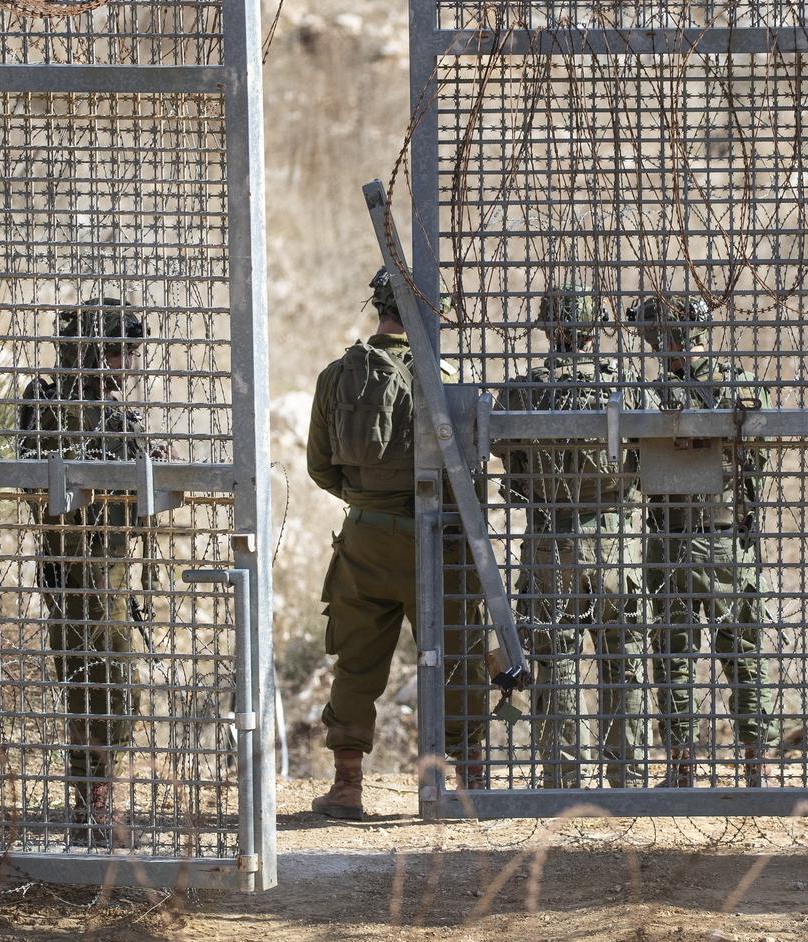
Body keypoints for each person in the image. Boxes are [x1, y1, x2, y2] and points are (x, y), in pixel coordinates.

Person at [305, 268, 489, 818]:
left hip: (365, 539)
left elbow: (320, 468)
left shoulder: (338, 375)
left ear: (376, 306)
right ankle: (466, 780)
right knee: (458, 655)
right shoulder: (447, 377)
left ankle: (346, 786)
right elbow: (471, 474)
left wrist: (369, 503)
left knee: (357, 663)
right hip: (438, 542)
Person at [493, 284, 649, 789]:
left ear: (547, 328)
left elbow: (504, 455)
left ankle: (562, 776)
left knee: (554, 654)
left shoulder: (522, 390)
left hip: (548, 540)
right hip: (616, 541)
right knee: (622, 655)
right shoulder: (628, 389)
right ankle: (627, 772)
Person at [624, 293, 773, 787]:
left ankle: (682, 766)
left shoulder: (647, 396)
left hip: (671, 541)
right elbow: (762, 456)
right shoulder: (741, 385)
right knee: (743, 654)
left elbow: (629, 471)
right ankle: (756, 765)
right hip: (729, 536)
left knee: (674, 657)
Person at [19, 297, 150, 843]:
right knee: (107, 685)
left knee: (100, 683)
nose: (127, 367)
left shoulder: (88, 408)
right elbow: (43, 482)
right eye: (119, 355)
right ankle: (94, 804)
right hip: (84, 570)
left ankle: (93, 800)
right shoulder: (58, 406)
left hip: (100, 566)